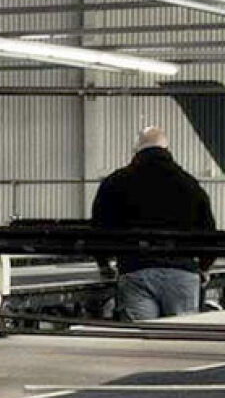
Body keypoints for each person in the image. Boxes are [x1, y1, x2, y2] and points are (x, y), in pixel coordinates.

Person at [90, 126, 216, 320]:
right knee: (180, 339)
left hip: (135, 270)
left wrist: (104, 265)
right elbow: (209, 232)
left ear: (136, 149)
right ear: (167, 149)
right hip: (181, 272)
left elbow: (98, 228)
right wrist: (204, 267)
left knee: (142, 338)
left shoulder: (115, 182)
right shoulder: (190, 185)